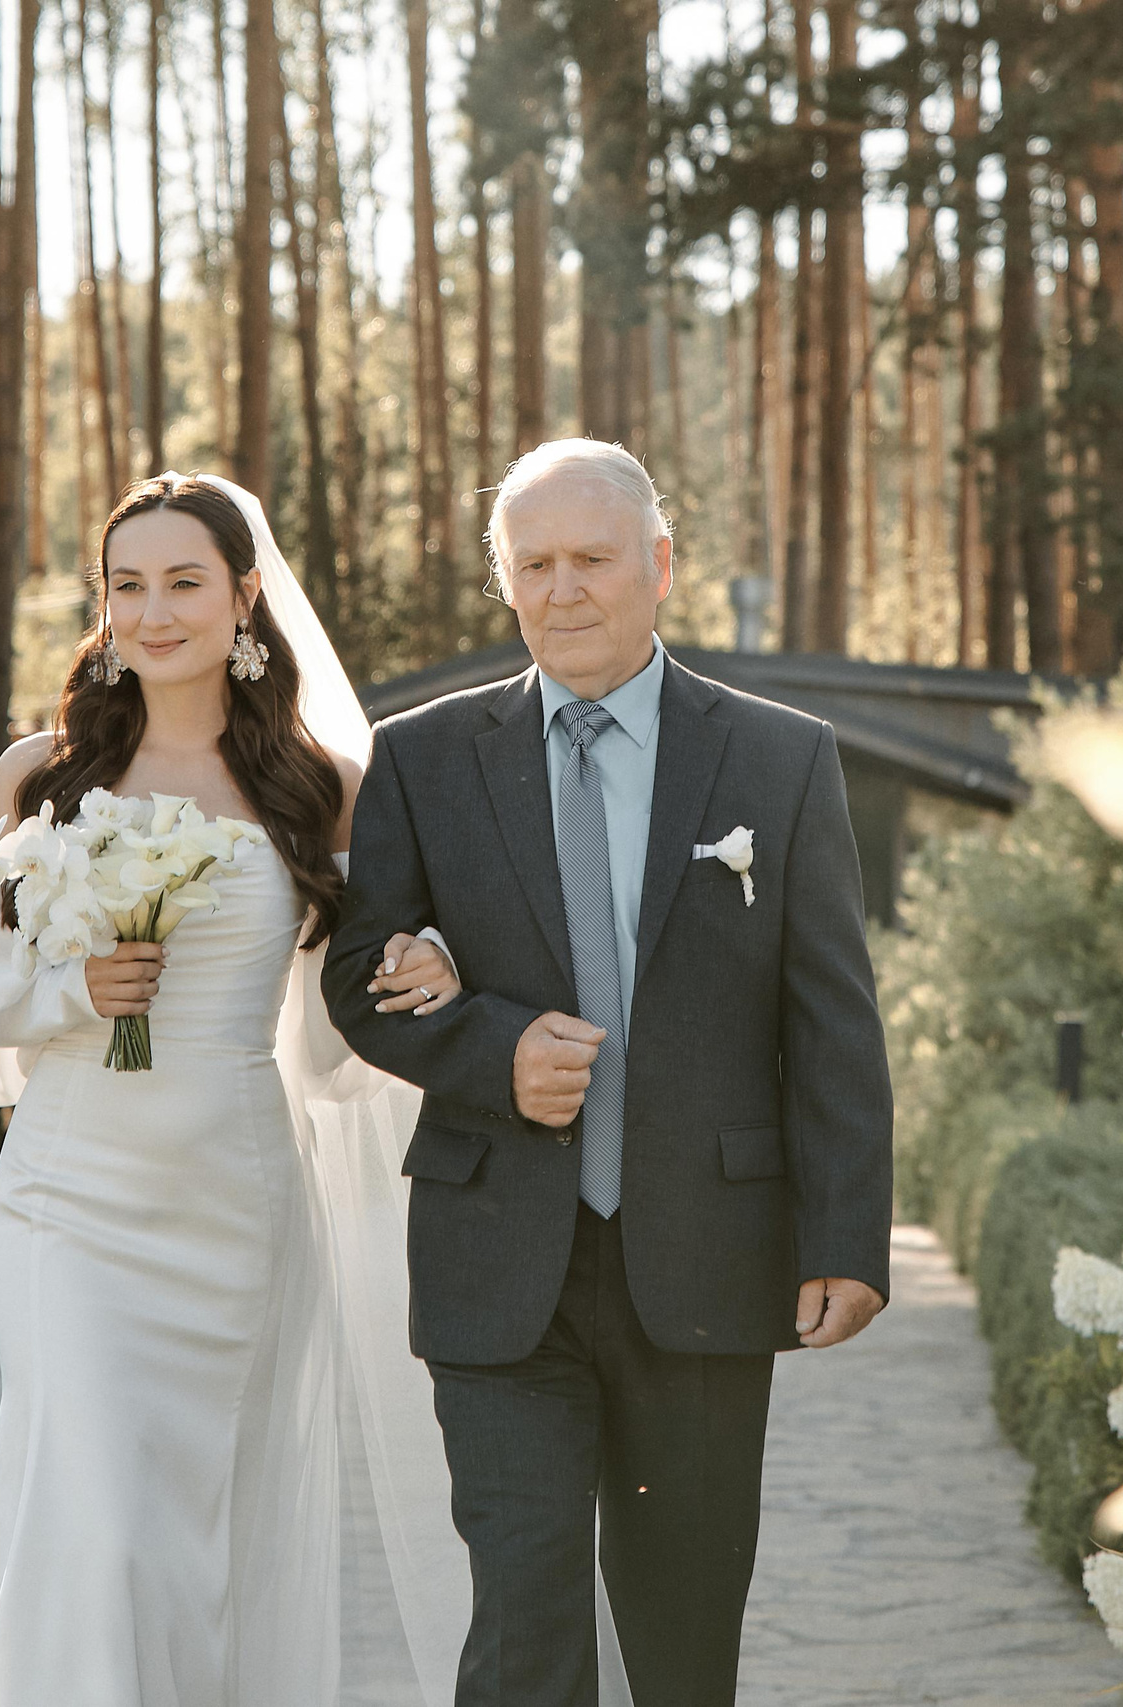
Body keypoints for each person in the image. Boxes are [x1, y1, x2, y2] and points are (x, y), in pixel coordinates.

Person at [0, 471, 547, 1705]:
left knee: (206, 1540)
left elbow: (362, 995)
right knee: (96, 1523)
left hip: (236, 1206)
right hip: (69, 1201)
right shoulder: (45, 776)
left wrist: (427, 960)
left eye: (185, 582)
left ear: (245, 597)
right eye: (126, 585)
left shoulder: (322, 787)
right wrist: (77, 996)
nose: (154, 612)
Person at [322, 438, 897, 1707]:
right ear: (505, 582)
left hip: (708, 1251)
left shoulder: (778, 758)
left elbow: (832, 1019)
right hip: (495, 1261)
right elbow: (361, 973)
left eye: (593, 559)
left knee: (684, 1638)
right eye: (535, 564)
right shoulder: (423, 757)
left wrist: (848, 1237)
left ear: (660, 566)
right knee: (524, 1623)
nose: (564, 589)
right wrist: (492, 1052)